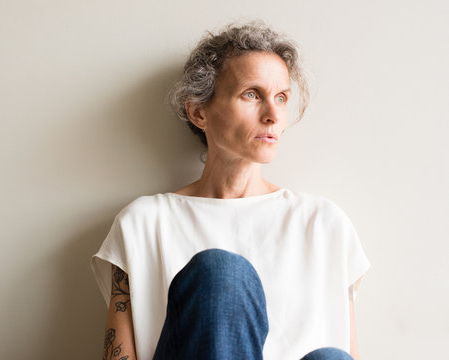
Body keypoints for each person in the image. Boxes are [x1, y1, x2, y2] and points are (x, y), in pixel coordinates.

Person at [91, 21, 371, 360]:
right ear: (198, 112)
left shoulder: (323, 223)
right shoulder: (145, 222)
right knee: (221, 273)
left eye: (281, 97)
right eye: (251, 94)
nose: (272, 115)